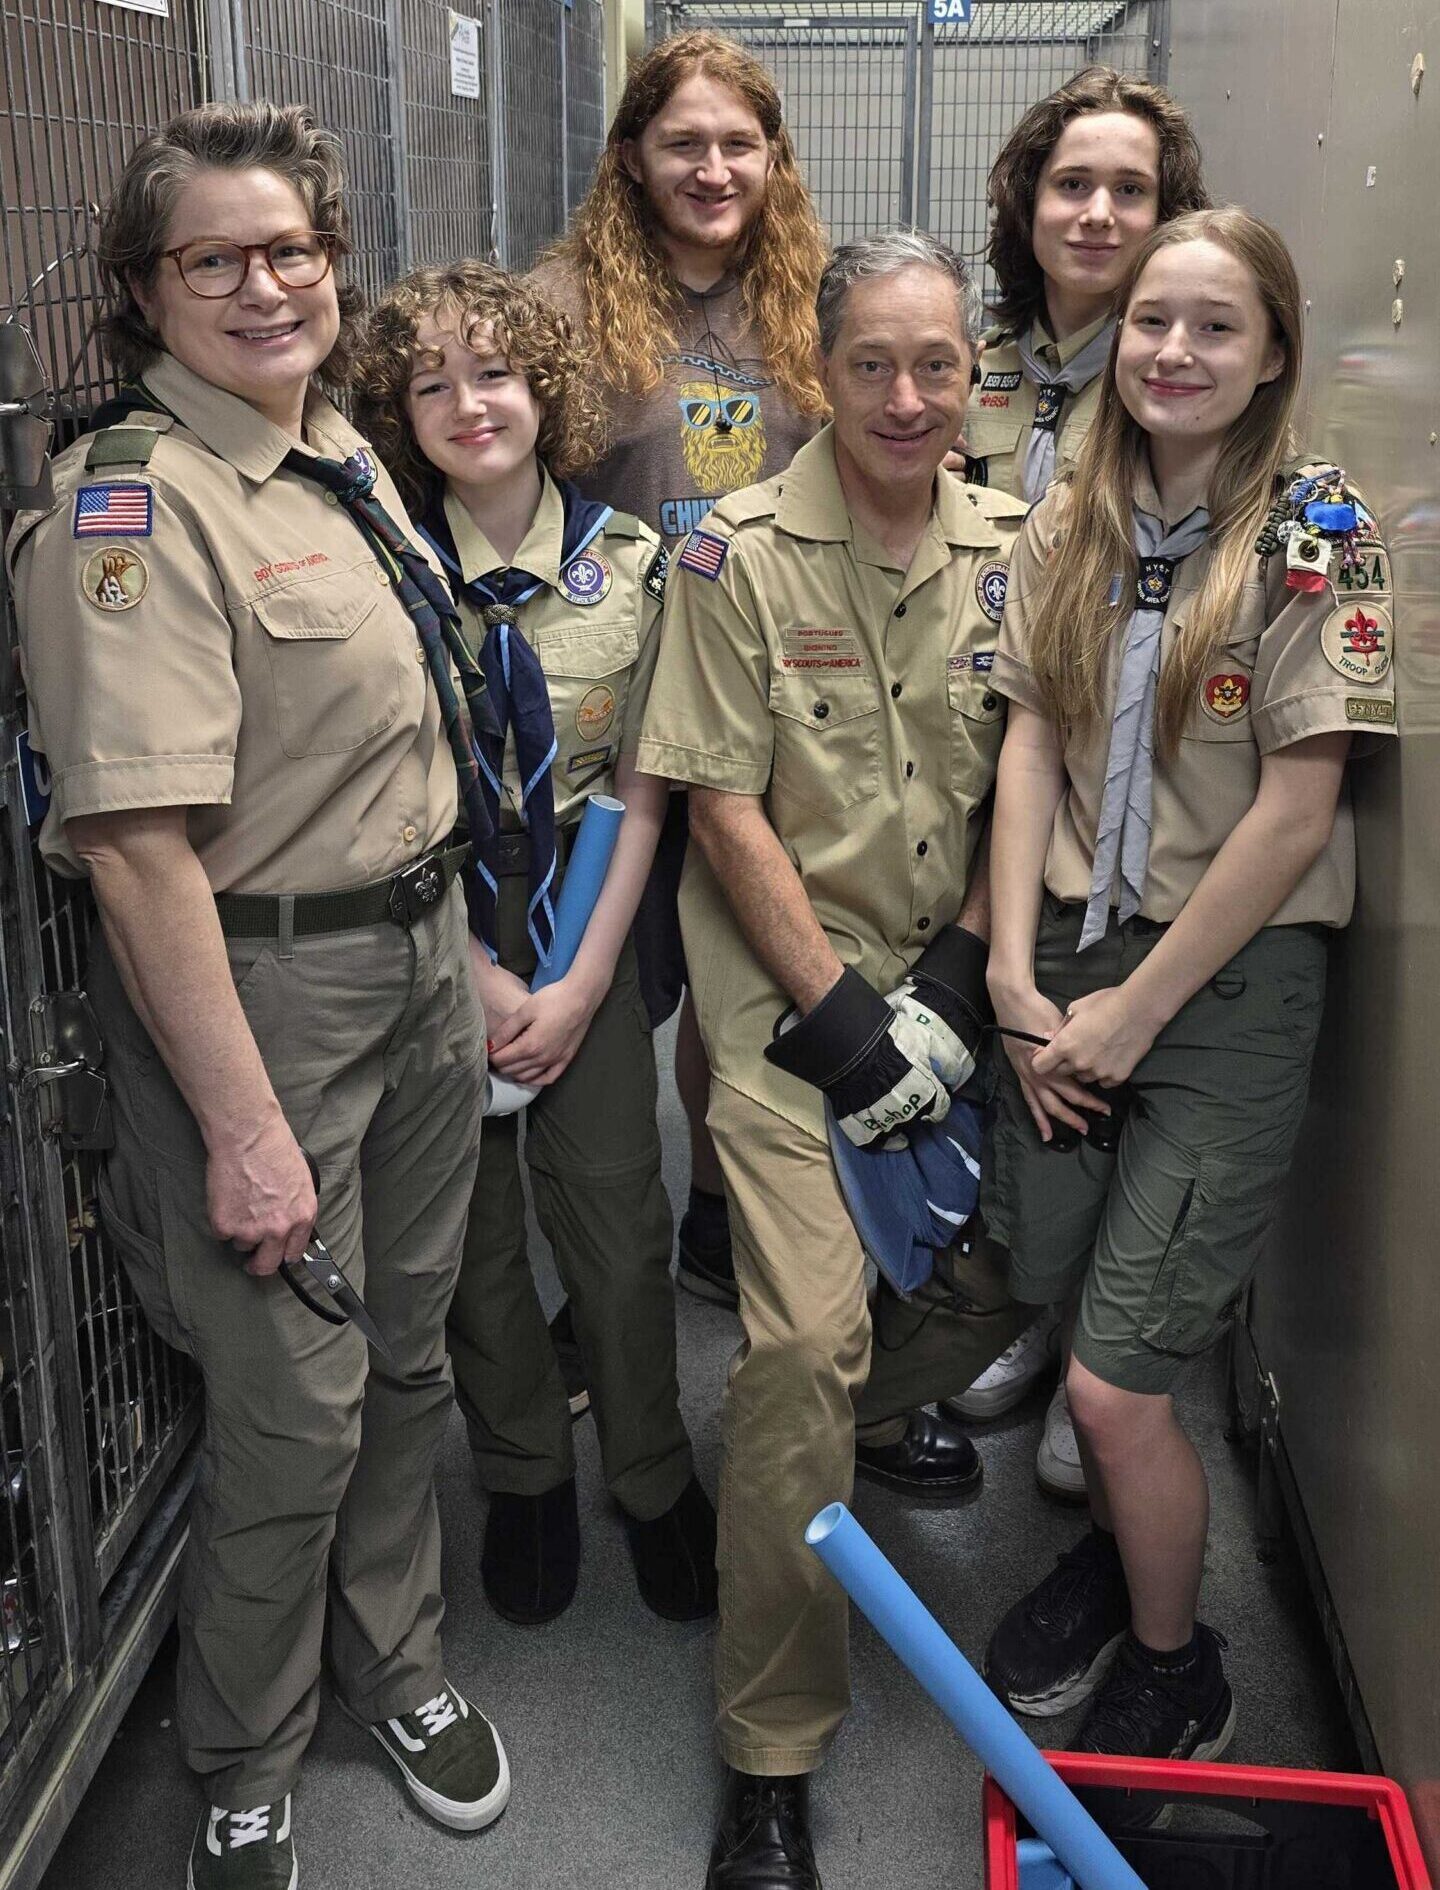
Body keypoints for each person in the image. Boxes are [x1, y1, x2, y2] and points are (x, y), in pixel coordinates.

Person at [7, 104, 509, 1889]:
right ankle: (244, 1756)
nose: (263, 285)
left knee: (408, 1353)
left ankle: (399, 1661)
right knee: (294, 1406)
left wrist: (460, 947)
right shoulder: (134, 508)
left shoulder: (335, 454)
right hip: (259, 1003)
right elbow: (137, 852)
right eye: (211, 258)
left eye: (291, 249)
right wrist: (240, 1128)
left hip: (416, 970)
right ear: (145, 290)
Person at [637, 231, 1036, 1888]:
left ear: (974, 373)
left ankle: (840, 1421)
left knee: (1041, 1261)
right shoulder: (731, 555)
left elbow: (1032, 784)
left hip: (961, 987)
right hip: (789, 1013)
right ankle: (772, 1749)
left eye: (937, 363)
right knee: (802, 1347)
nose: (906, 396)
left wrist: (954, 988)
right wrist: (854, 1026)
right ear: (823, 370)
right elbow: (721, 805)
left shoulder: (1021, 549)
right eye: (871, 362)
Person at [981, 208, 1395, 1797]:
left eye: (1218, 327)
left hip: (1220, 976)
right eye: (1154, 320)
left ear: (1275, 350)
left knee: (1115, 1377)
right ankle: (1122, 1554)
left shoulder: (1317, 531)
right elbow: (1031, 735)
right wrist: (1015, 981)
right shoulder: (1073, 511)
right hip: (1070, 957)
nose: (1174, 351)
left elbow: (1298, 812)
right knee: (1062, 1282)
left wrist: (1134, 1013)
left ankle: (1181, 1664)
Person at [354, 261, 715, 1629]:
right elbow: (381, 789)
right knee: (475, 1234)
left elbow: (647, 785)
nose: (468, 403)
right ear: (399, 414)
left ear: (543, 389)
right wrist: (475, 969)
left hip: (586, 924)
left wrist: (579, 980)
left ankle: (653, 1472)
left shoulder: (633, 566)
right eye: (430, 383)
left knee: (618, 1222)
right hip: (436, 926)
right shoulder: (389, 573)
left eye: (494, 372)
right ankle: (523, 1473)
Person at [532, 30, 829, 1324]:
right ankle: (595, 1276)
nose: (713, 169)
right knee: (602, 976)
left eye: (738, 144)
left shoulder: (811, 295)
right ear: (631, 157)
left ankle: (714, 1216)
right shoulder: (561, 307)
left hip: (771, 689)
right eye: (683, 144)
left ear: (773, 158)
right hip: (616, 702)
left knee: (737, 967)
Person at [950, 65, 1210, 1485]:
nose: (1099, 213)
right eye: (1072, 184)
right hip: (960, 733)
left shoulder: (1178, 365)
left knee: (1089, 1042)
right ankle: (1016, 1305)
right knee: (997, 1036)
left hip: (1101, 755)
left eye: (1132, 189)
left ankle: (1087, 1353)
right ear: (1027, 201)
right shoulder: (973, 357)